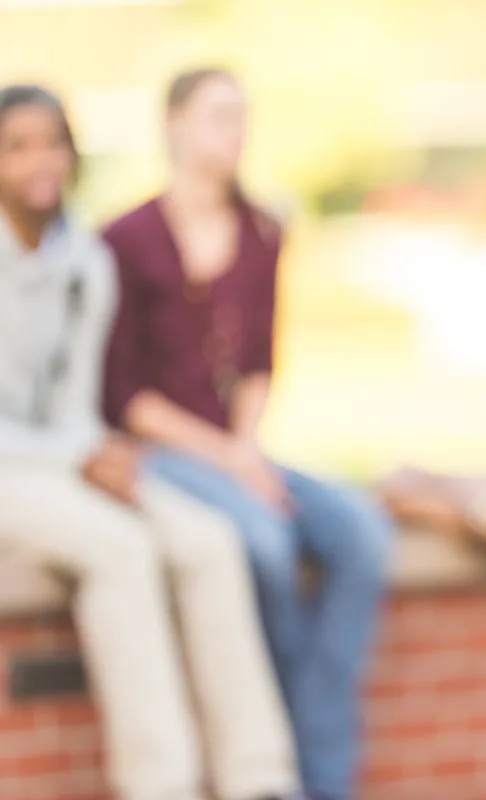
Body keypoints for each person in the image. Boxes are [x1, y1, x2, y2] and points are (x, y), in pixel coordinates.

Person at [0, 84, 300, 800]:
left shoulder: (87, 262)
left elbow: (76, 405)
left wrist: (94, 451)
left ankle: (259, 778)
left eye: (53, 143)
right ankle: (161, 784)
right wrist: (79, 456)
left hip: (64, 462)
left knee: (208, 541)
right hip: (15, 473)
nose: (41, 162)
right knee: (123, 549)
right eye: (18, 147)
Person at [100, 69, 391, 800]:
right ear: (173, 126)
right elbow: (125, 393)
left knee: (361, 533)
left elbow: (260, 360)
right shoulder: (124, 239)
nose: (234, 132)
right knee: (263, 543)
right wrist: (233, 460)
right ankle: (285, 744)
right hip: (163, 452)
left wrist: (248, 450)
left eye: (242, 117)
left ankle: (322, 754)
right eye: (217, 116)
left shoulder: (264, 229)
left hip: (242, 449)